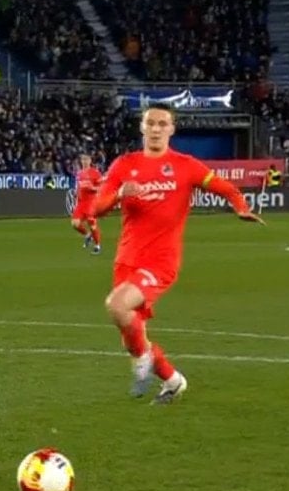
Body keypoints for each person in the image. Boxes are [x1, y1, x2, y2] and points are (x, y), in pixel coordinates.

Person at [91, 103, 264, 404]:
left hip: (161, 261)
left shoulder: (186, 165)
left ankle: (142, 360)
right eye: (150, 123)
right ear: (142, 127)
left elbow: (225, 188)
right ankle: (173, 381)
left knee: (117, 306)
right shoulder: (123, 165)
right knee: (130, 332)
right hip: (126, 259)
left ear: (172, 129)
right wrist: (119, 194)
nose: (156, 129)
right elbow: (96, 208)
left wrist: (241, 207)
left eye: (162, 124)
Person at [70, 154, 103, 254]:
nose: (84, 161)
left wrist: (93, 188)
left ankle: (97, 246)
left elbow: (102, 188)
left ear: (90, 161)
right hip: (81, 203)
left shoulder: (95, 173)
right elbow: (78, 186)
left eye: (86, 159)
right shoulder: (79, 173)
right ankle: (87, 235)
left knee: (92, 224)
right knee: (75, 223)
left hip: (91, 203)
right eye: (83, 160)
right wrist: (76, 193)